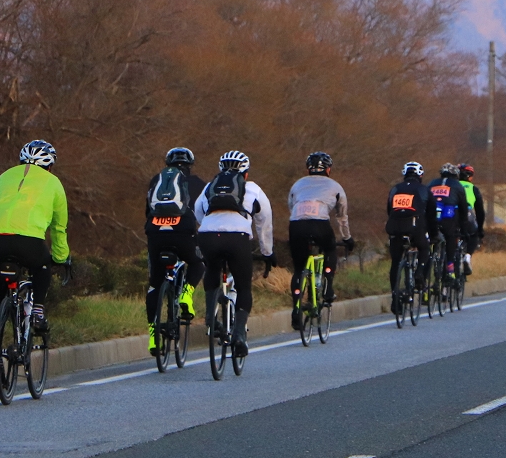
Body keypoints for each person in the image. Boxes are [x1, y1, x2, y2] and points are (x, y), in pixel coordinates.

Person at [0, 140, 70, 386]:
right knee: (41, 265)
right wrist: (61, 259)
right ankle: (38, 309)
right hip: (28, 241)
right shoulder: (53, 183)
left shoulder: (2, 177)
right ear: (50, 166)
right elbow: (59, 227)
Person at [195, 150, 275, 357]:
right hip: (238, 237)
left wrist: (210, 229)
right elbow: (264, 221)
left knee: (212, 269)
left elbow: (198, 210)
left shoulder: (209, 187)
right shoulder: (253, 189)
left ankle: (211, 319)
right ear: (246, 174)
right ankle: (239, 334)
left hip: (208, 234)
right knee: (243, 285)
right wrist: (267, 252)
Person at [144, 147, 207, 356]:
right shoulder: (197, 182)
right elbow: (203, 212)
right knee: (198, 263)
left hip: (155, 230)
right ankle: (186, 295)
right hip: (183, 230)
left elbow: (147, 210)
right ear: (190, 165)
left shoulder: (157, 179)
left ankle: (153, 336)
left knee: (154, 284)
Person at [288, 151, 353, 330]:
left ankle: (296, 308)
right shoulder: (335, 186)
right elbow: (342, 217)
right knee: (330, 249)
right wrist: (347, 238)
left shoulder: (297, 184)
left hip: (297, 224)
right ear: (329, 169)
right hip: (320, 224)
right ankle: (328, 287)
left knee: (299, 268)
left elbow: (291, 206)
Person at [386, 162, 436, 298]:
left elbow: (389, 210)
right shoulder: (424, 189)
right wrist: (433, 235)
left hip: (395, 227)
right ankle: (419, 273)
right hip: (415, 226)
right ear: (420, 175)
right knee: (424, 249)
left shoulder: (395, 189)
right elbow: (431, 216)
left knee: (395, 262)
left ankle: (395, 296)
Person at [428, 163, 470, 283]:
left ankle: (426, 264)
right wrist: (464, 228)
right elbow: (463, 209)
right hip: (448, 214)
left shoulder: (432, 183)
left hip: (431, 215)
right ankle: (450, 266)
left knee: (429, 239)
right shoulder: (457, 185)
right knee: (451, 236)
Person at [456, 164, 486, 274]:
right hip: (467, 215)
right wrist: (480, 229)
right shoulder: (473, 189)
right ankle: (467, 256)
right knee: (474, 234)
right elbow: (480, 211)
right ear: (470, 177)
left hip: (450, 214)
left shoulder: (452, 185)